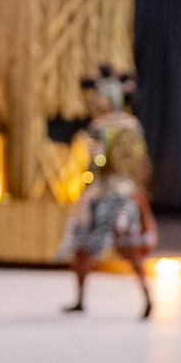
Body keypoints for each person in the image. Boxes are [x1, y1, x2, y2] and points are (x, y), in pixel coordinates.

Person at [56, 69, 157, 318]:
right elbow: (142, 163)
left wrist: (88, 178)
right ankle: (147, 297)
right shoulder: (134, 125)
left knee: (82, 244)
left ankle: (80, 299)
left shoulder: (99, 127)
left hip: (104, 193)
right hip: (128, 193)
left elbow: (97, 161)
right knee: (130, 249)